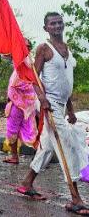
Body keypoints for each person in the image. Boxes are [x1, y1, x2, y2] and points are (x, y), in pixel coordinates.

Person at [18, 12, 88, 215]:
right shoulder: (43, 49)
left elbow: (66, 83)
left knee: (48, 146)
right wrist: (42, 99)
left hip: (62, 105)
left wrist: (72, 109)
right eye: (52, 23)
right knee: (66, 145)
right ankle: (75, 198)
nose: (57, 26)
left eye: (59, 22)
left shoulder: (67, 49)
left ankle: (27, 182)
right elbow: (33, 78)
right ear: (46, 28)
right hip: (49, 105)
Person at [3, 39, 38, 164]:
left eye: (26, 46)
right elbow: (6, 54)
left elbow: (26, 84)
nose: (23, 48)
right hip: (24, 103)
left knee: (13, 129)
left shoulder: (27, 63)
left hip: (21, 103)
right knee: (27, 129)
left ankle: (14, 156)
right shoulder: (24, 61)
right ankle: (38, 156)